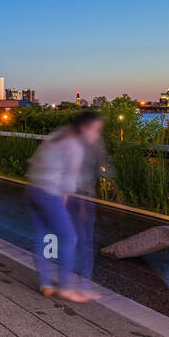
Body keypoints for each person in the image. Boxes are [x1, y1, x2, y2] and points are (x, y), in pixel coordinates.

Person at [25, 111, 104, 302]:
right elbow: (68, 184)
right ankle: (66, 288)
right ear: (85, 127)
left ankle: (46, 284)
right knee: (69, 238)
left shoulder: (59, 134)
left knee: (42, 237)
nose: (96, 135)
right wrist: (62, 208)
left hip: (33, 189)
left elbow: (34, 161)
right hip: (49, 193)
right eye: (95, 130)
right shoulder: (75, 146)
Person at [71, 117, 114, 298]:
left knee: (81, 239)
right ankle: (81, 282)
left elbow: (104, 167)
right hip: (80, 197)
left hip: (84, 197)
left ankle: (80, 281)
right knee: (83, 240)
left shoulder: (92, 142)